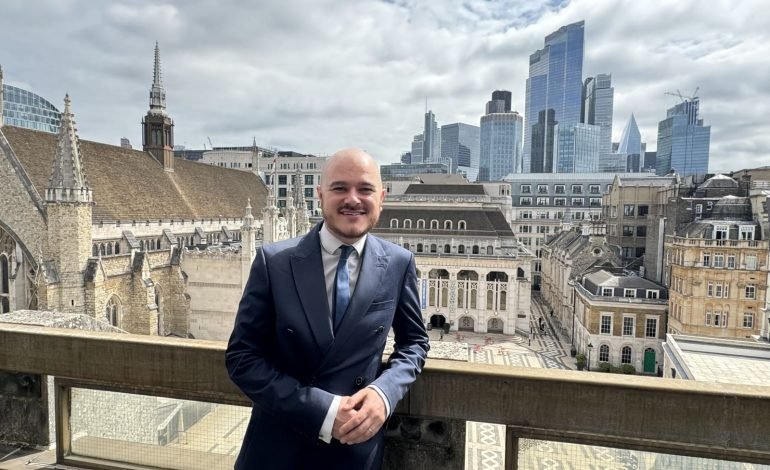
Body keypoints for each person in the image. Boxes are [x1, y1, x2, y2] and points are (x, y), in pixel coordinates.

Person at [226, 148, 430, 470]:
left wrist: (384, 392)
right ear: (320, 195)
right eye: (339, 188)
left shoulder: (398, 263)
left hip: (353, 450)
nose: (353, 199)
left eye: (365, 189)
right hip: (277, 448)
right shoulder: (274, 262)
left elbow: (415, 343)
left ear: (382, 197)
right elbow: (242, 358)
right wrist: (322, 411)